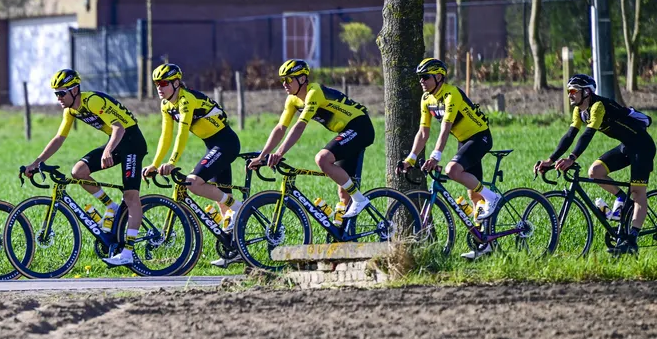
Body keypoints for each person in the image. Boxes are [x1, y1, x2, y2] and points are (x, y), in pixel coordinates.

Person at [24, 69, 148, 267]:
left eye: (62, 93)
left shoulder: (93, 101)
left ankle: (128, 252)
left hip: (132, 141)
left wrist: (108, 150)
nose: (58, 98)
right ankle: (112, 206)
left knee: (131, 196)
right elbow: (59, 138)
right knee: (78, 172)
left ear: (75, 90)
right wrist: (36, 162)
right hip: (116, 142)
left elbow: (119, 127)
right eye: (56, 94)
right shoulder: (70, 110)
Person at [535, 74, 654, 254]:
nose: (570, 94)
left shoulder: (598, 106)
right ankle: (623, 200)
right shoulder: (580, 111)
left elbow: (587, 135)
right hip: (627, 146)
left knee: (638, 192)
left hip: (642, 147)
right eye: (568, 91)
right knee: (595, 172)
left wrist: (572, 158)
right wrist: (550, 160)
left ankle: (631, 240)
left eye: (574, 91)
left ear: (587, 92)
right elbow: (570, 135)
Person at [141, 63, 242, 268]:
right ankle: (235, 250)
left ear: (176, 83)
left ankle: (239, 207)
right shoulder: (166, 105)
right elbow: (166, 136)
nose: (159, 87)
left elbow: (182, 133)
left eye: (164, 83)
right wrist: (154, 164)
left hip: (226, 144)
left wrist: (171, 162)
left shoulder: (186, 99)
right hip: (212, 146)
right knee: (221, 200)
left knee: (194, 183)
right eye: (156, 84)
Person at [249, 59, 376, 221]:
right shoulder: (292, 100)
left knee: (322, 159)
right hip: (347, 131)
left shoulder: (314, 92)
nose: (284, 84)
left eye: (288, 79)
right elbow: (280, 128)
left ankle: (360, 199)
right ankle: (344, 232)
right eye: (282, 80)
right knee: (343, 192)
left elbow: (300, 126)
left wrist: (279, 153)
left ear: (302, 78)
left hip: (360, 126)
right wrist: (262, 156)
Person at [398, 57, 500, 259]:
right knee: (474, 195)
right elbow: (423, 133)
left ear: (438, 76)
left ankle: (493, 197)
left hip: (480, 137)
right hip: (464, 140)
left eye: (425, 77)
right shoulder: (426, 99)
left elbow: (445, 128)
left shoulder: (451, 94)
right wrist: (410, 159)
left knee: (452, 170)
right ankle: (485, 245)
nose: (421, 81)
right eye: (420, 77)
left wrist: (435, 156)